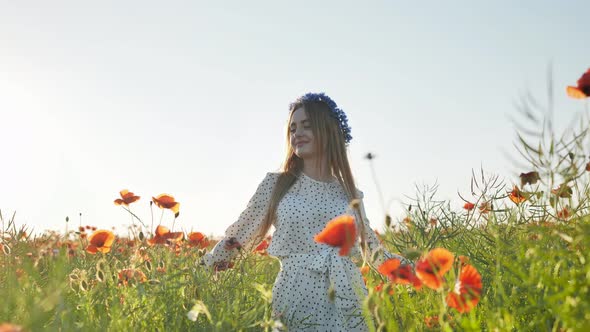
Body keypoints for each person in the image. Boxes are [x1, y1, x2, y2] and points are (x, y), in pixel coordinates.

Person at [203, 92, 407, 331]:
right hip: (295, 294)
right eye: (292, 128)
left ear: (328, 132)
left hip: (347, 295)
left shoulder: (350, 194)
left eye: (306, 126)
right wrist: (202, 270)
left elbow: (373, 251)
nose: (297, 134)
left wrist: (424, 272)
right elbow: (239, 236)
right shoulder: (277, 185)